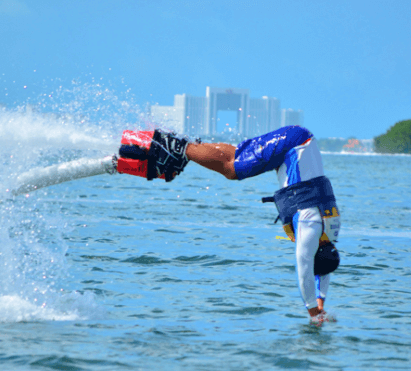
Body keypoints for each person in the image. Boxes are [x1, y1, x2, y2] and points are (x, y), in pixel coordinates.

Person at [118, 126, 341, 321]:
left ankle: (190, 147)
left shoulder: (328, 235)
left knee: (238, 158)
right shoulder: (310, 224)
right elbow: (304, 268)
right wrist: (313, 312)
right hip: (293, 145)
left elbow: (323, 268)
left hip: (300, 142)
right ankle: (176, 146)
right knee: (232, 169)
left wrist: (321, 303)